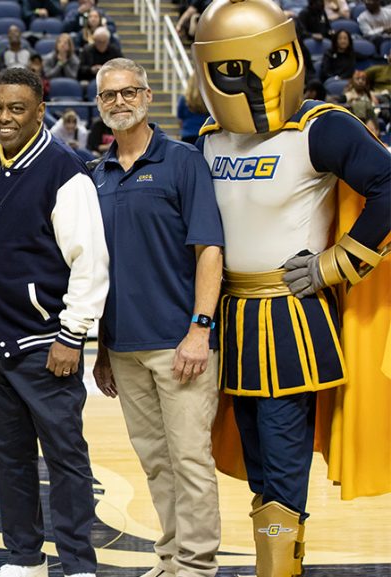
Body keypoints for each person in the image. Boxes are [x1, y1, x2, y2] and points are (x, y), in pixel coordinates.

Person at [191, 1, 391, 575]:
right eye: (234, 70)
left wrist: (339, 264)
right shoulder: (209, 137)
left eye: (270, 60)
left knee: (280, 456)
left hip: (290, 315)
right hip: (227, 315)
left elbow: (386, 185)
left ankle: (279, 570)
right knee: (254, 454)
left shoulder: (319, 126)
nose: (255, 83)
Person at [0, 66, 106, 577]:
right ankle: (24, 559)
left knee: (65, 458)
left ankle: (79, 564)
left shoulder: (66, 170)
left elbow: (90, 261)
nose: (5, 118)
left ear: (41, 110)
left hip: (48, 344)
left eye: (17, 108)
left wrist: (72, 334)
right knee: (9, 458)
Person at [90, 57, 224, 577]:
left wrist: (200, 330)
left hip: (179, 342)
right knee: (156, 461)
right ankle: (170, 558)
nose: (119, 103)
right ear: (99, 104)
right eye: (109, 96)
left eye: (129, 93)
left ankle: (196, 565)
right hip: (122, 347)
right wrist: (102, 348)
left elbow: (209, 249)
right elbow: (99, 268)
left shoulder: (183, 161)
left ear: (147, 97)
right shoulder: (94, 175)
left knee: (190, 460)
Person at [177, 74, 209, 144]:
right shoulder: (208, 100)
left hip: (187, 135)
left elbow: (180, 119)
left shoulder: (184, 98)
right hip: (204, 135)